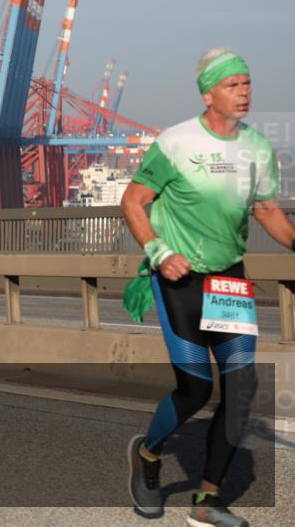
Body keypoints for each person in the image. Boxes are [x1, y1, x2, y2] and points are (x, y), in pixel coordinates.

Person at [121, 48, 295, 527]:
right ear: (208, 94)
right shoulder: (176, 142)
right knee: (195, 389)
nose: (244, 92)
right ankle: (148, 454)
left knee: (242, 389)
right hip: (179, 278)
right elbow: (133, 200)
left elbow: (266, 210)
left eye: (247, 83)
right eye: (232, 85)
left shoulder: (257, 147)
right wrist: (159, 252)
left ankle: (207, 500)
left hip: (228, 280)